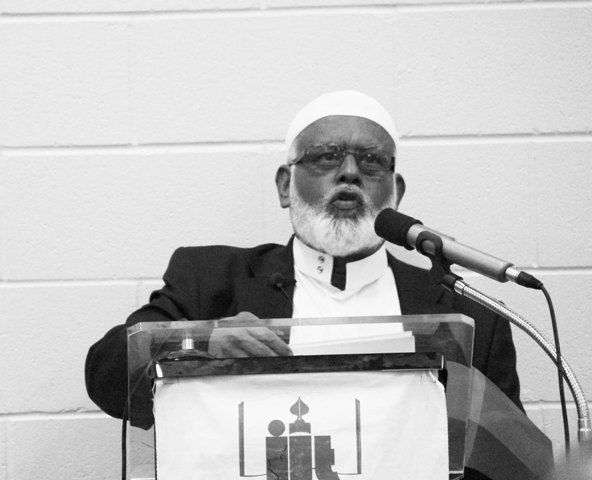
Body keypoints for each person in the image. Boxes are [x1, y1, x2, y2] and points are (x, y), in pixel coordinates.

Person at [85, 92, 522, 473]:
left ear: (397, 192)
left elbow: (508, 463)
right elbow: (106, 377)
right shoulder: (211, 280)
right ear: (284, 186)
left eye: (371, 161)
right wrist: (202, 341)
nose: (349, 173)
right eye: (326, 156)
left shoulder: (469, 317)